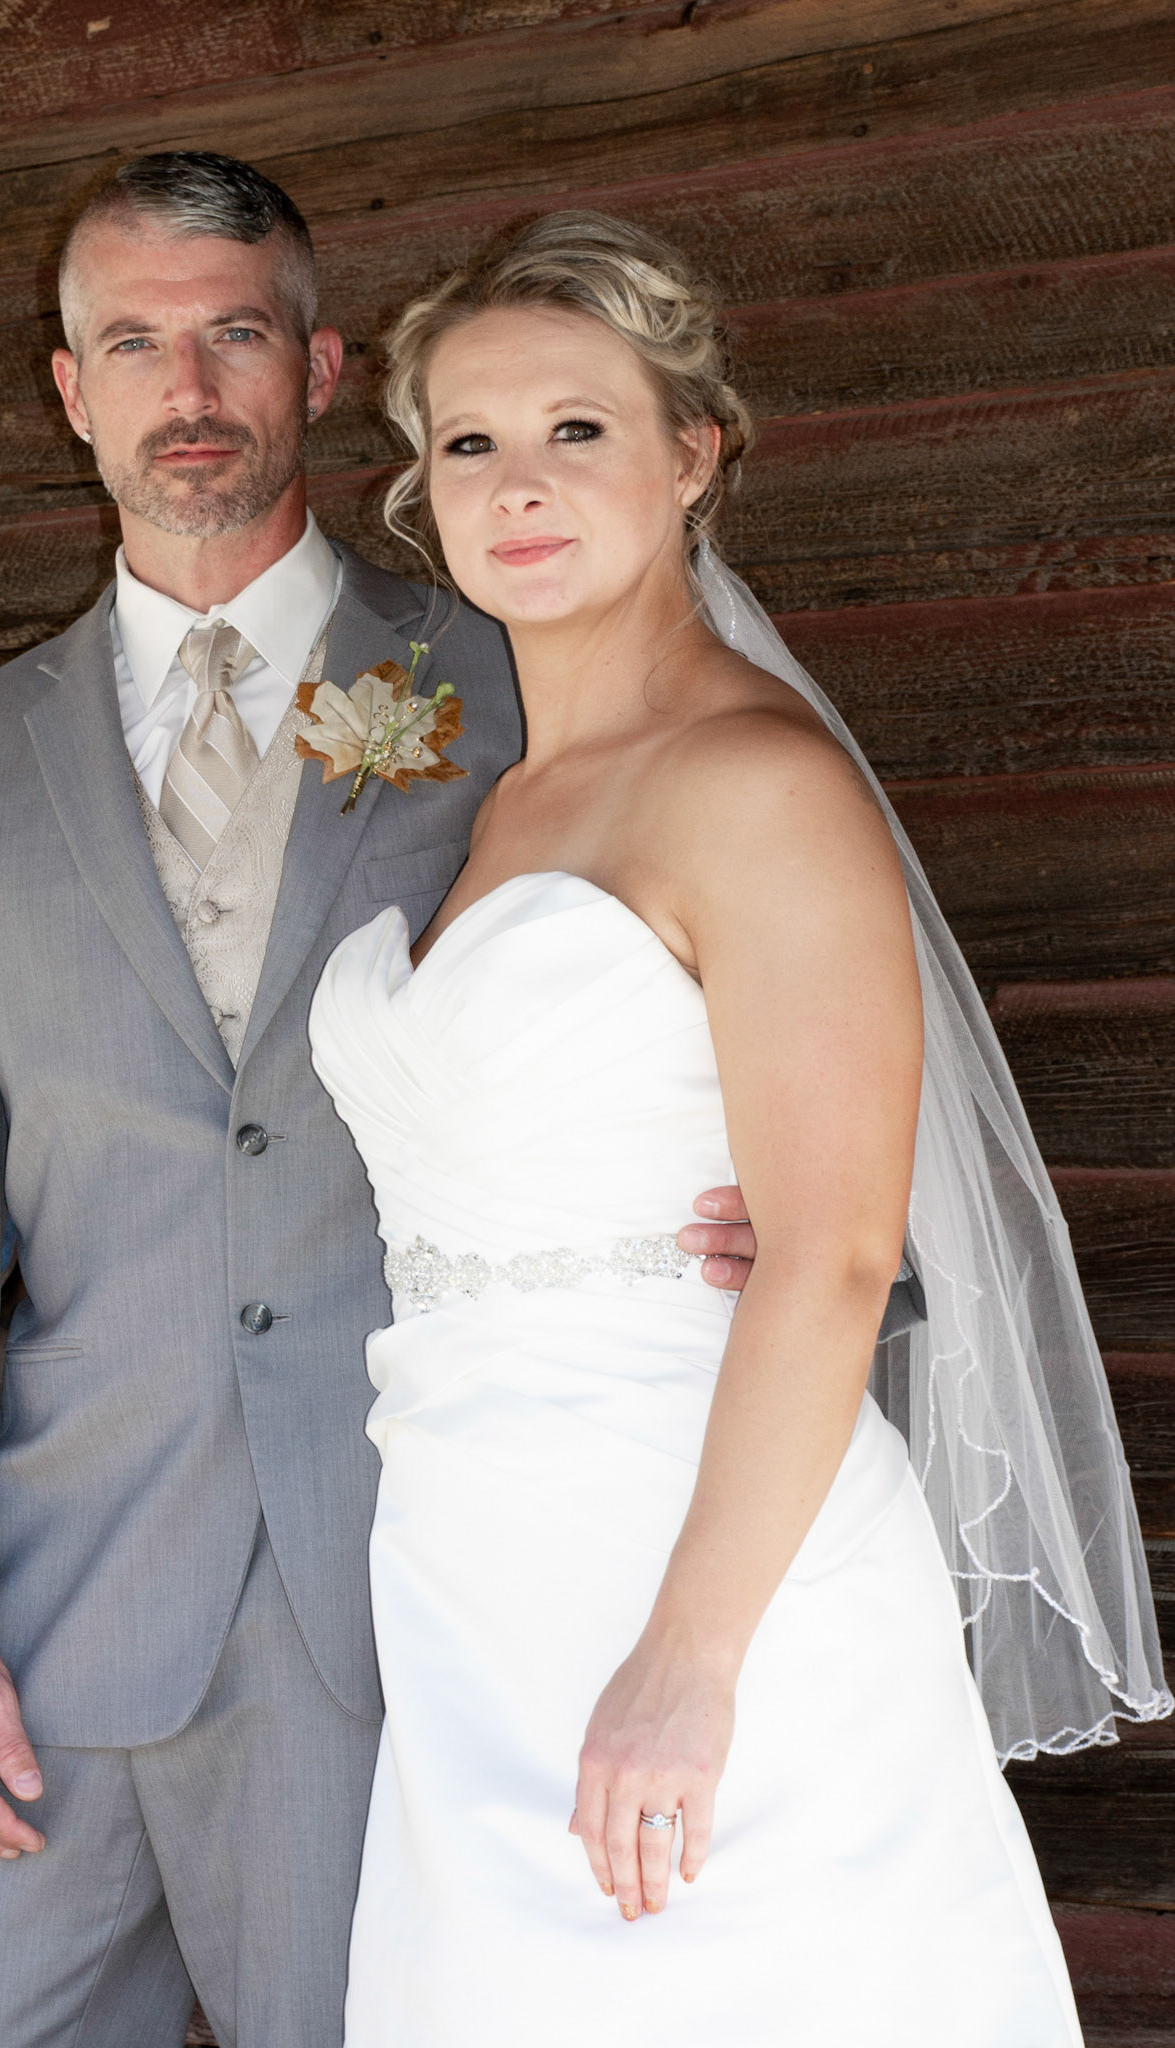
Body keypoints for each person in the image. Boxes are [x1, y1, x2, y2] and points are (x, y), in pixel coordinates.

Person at [0, 156, 809, 2048]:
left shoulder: (511, 670)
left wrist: (774, 1208)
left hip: (399, 1596)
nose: (187, 387)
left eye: (235, 334)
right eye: (135, 343)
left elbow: (725, 963)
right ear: (70, 390)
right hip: (42, 1620)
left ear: (320, 366)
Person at [308, 211, 1170, 2047]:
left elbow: (838, 1250)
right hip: (469, 1571)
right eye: (469, 443)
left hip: (702, 1570)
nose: (517, 485)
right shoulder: (506, 802)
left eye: (578, 431)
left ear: (692, 454)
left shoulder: (756, 783)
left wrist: (690, 1664)